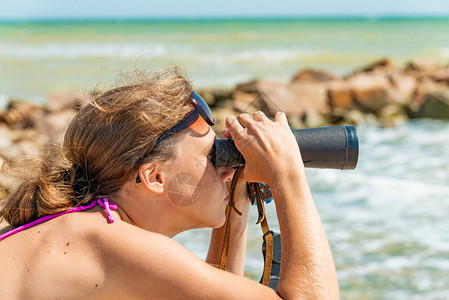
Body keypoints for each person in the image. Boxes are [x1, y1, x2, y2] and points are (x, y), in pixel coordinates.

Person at [0, 67, 339, 299]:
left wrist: (235, 204)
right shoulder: (107, 239)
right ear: (155, 177)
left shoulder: (87, 228)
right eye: (212, 156)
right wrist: (288, 176)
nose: (224, 168)